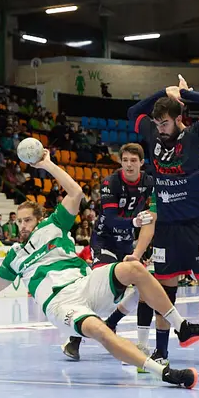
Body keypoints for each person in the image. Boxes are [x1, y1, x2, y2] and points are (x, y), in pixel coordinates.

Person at [0, 149, 199, 389]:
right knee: (100, 331)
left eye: (27, 220)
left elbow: (76, 192)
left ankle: (181, 327)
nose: (22, 225)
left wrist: (48, 164)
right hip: (60, 303)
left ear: (39, 219)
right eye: (18, 221)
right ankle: (164, 373)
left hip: (85, 283)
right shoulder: (15, 256)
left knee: (135, 269)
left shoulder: (54, 226)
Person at [127, 75, 199, 375]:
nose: (160, 128)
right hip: (167, 225)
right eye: (157, 123)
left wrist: (185, 93)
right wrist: (160, 94)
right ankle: (162, 352)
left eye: (165, 122)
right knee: (163, 295)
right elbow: (132, 114)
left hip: (196, 224)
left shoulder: (198, 135)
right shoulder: (153, 134)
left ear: (178, 118)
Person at [62, 143, 155, 360]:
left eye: (134, 160)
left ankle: (111, 323)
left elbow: (153, 213)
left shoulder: (149, 182)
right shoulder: (110, 182)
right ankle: (75, 338)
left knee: (144, 288)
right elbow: (112, 219)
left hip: (126, 244)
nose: (129, 165)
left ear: (142, 163)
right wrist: (135, 221)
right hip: (104, 240)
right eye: (125, 160)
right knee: (102, 290)